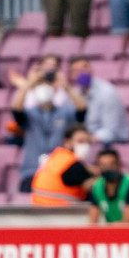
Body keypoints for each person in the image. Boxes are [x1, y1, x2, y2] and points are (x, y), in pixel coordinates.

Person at [12, 64, 87, 192]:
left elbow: (82, 110)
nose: (45, 87)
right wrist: (29, 84)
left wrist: (66, 86)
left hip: (59, 171)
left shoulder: (65, 111)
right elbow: (16, 109)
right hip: (32, 171)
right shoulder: (30, 113)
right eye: (41, 84)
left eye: (48, 84)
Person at [69, 56, 129, 145]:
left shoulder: (107, 92)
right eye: (76, 71)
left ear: (91, 69)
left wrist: (87, 139)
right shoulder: (75, 93)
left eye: (84, 68)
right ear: (71, 74)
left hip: (113, 142)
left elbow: (111, 130)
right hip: (87, 141)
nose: (81, 73)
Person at [31, 123, 98, 205]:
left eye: (88, 142)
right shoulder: (72, 164)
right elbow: (95, 187)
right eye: (80, 141)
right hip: (61, 212)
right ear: (67, 142)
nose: (86, 145)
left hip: (38, 209)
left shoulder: (57, 157)